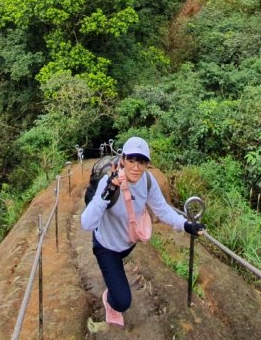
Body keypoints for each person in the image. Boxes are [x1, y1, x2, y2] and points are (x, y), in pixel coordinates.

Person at [80, 136, 206, 327]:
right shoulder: (109, 182)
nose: (136, 167)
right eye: (131, 160)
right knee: (123, 301)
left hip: (129, 243)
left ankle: (115, 280)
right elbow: (86, 223)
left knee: (118, 276)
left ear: (147, 164)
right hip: (107, 247)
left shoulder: (147, 180)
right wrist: (106, 194)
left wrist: (187, 225)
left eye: (142, 161)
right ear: (123, 159)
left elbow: (162, 209)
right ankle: (111, 300)